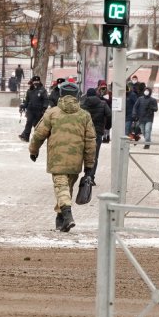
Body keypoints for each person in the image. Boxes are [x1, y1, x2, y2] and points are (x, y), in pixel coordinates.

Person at [28, 81, 96, 232]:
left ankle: (67, 215)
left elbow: (38, 135)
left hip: (57, 160)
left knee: (61, 187)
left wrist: (33, 151)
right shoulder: (85, 116)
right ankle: (61, 220)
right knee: (66, 189)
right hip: (75, 161)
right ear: (77, 96)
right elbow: (91, 142)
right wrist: (89, 166)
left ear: (60, 95)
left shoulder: (52, 113)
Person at [80, 87, 112, 186]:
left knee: (82, 154)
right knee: (94, 155)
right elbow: (109, 115)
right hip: (97, 133)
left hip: (84, 133)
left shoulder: (82, 105)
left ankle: (82, 175)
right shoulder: (103, 104)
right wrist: (107, 127)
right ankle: (90, 177)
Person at [19, 75, 48, 142]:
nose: (36, 82)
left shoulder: (43, 90)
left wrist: (44, 108)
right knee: (29, 122)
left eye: (37, 81)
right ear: (33, 82)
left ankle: (38, 137)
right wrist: (23, 106)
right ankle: (26, 137)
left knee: (37, 125)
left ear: (39, 81)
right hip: (30, 110)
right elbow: (26, 101)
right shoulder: (29, 91)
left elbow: (46, 100)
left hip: (39, 110)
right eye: (35, 81)